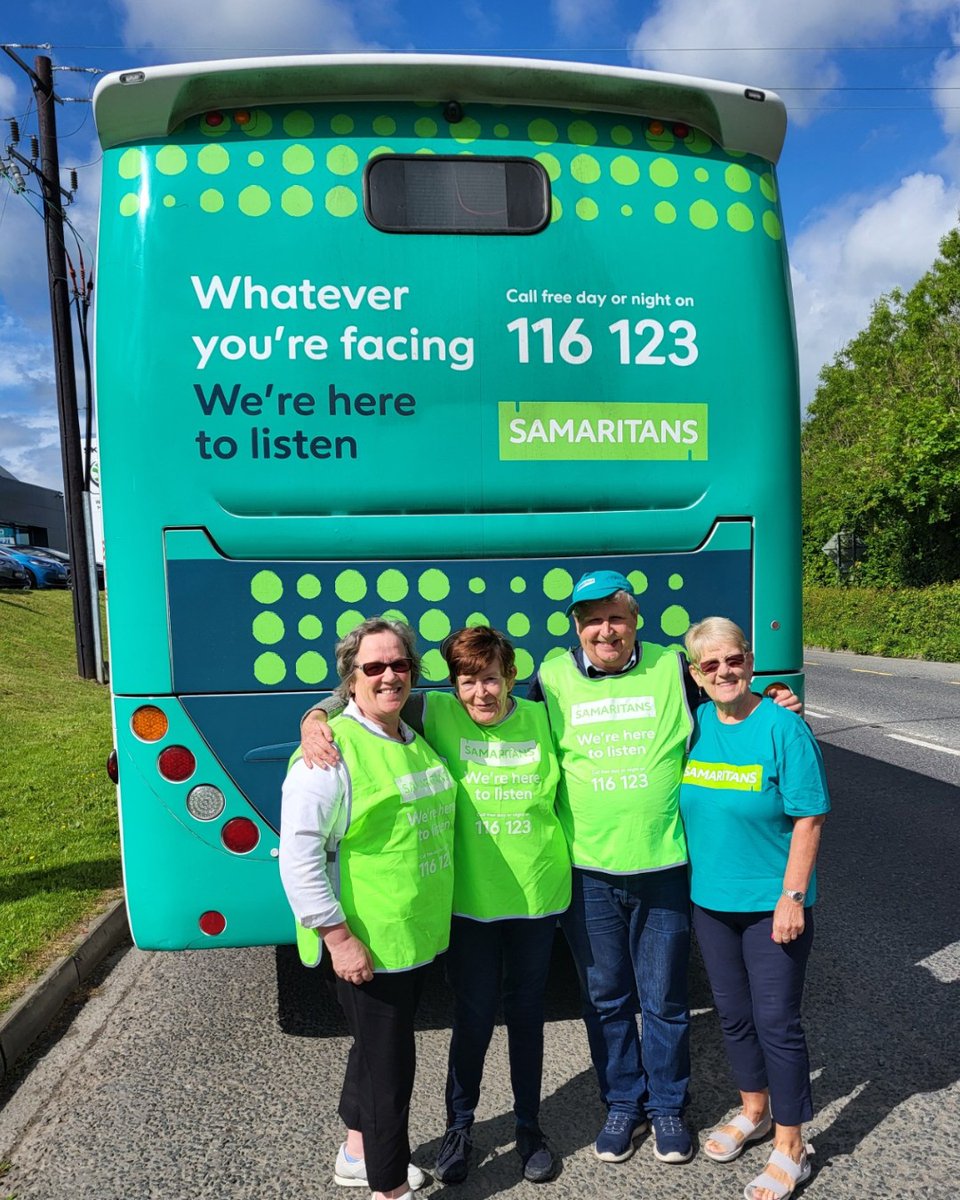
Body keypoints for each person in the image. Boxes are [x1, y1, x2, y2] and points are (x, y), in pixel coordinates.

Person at [529, 570, 801, 1168]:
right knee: (606, 998)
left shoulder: (673, 666)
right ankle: (623, 1103)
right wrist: (326, 710)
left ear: (635, 622)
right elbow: (482, 710)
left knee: (665, 1000)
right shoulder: (549, 677)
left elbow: (732, 696)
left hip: (665, 867)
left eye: (617, 617)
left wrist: (776, 695)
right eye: (593, 619)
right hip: (589, 872)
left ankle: (669, 1107)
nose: (607, 629)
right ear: (577, 628)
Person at [301, 625, 571, 1185]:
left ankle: (528, 1128)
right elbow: (367, 690)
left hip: (537, 900)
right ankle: (460, 1129)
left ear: (512, 677)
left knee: (525, 1018)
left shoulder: (545, 717)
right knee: (470, 1020)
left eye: (492, 679)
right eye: (468, 681)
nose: (481, 693)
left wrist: (767, 699)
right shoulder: (434, 713)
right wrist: (315, 716)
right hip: (468, 908)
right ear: (452, 684)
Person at [279, 618, 456, 1200]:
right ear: (349, 681)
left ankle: (357, 1153)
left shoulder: (411, 730)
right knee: (390, 1071)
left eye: (399, 665)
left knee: (377, 1048)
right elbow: (299, 858)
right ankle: (387, 1187)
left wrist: (315, 711)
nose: (388, 676)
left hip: (410, 936)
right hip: (367, 940)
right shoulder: (327, 758)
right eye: (372, 667)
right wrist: (338, 937)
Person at [680, 617, 829, 1200]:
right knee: (733, 1016)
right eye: (709, 664)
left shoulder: (783, 727)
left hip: (773, 905)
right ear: (696, 674)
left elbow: (809, 817)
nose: (723, 671)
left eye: (732, 659)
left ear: (749, 660)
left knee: (777, 1024)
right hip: (710, 903)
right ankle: (754, 1109)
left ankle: (792, 1146)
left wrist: (792, 897)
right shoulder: (695, 724)